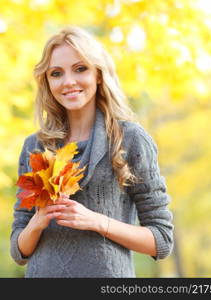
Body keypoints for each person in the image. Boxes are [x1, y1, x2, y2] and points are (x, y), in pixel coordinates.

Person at [10, 26, 174, 277]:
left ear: (98, 74)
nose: (68, 82)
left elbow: (162, 239)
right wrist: (37, 222)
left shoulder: (129, 140)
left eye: (80, 68)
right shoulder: (35, 147)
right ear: (48, 81)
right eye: (56, 73)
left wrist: (97, 222)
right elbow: (18, 250)